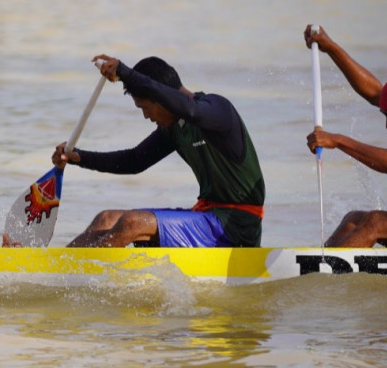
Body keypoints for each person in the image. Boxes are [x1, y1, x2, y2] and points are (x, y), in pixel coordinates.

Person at [53, 55, 266, 248]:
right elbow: (134, 161)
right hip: (205, 216)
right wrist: (79, 157)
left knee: (131, 223)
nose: (146, 116)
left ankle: (80, 278)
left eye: (144, 107)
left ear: (163, 97)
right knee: (106, 219)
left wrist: (126, 73)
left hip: (237, 226)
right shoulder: (173, 128)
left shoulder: (218, 110)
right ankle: (58, 268)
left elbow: (191, 110)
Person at [304, 26, 387, 247]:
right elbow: (375, 92)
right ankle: (317, 271)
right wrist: (330, 48)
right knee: (353, 220)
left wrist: (338, 140)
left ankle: (326, 272)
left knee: (375, 223)